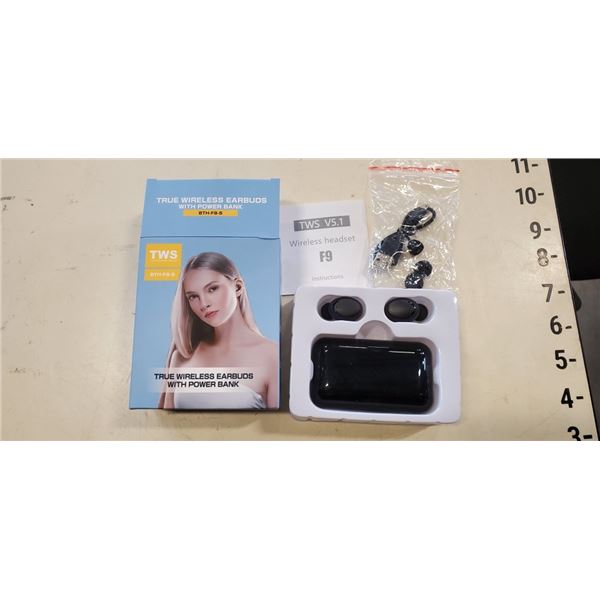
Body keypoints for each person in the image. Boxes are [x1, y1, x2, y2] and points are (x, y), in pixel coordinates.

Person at [159, 252, 278, 410]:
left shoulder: (272, 356)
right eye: (193, 296)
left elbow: (277, 423)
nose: (204, 304)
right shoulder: (183, 356)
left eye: (212, 289)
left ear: (237, 287)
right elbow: (165, 421)